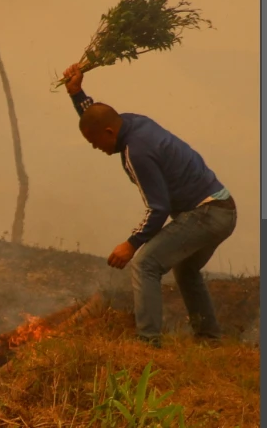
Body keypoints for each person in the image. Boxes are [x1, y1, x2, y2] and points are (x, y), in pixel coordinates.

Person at [61, 63, 237, 347]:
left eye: (95, 143)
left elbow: (159, 208)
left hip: (205, 213)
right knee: (186, 270)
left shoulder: (137, 153)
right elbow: (97, 117)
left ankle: (147, 343)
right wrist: (77, 94)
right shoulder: (131, 123)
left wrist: (131, 244)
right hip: (223, 208)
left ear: (109, 133)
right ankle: (210, 339)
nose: (96, 148)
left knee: (145, 264)